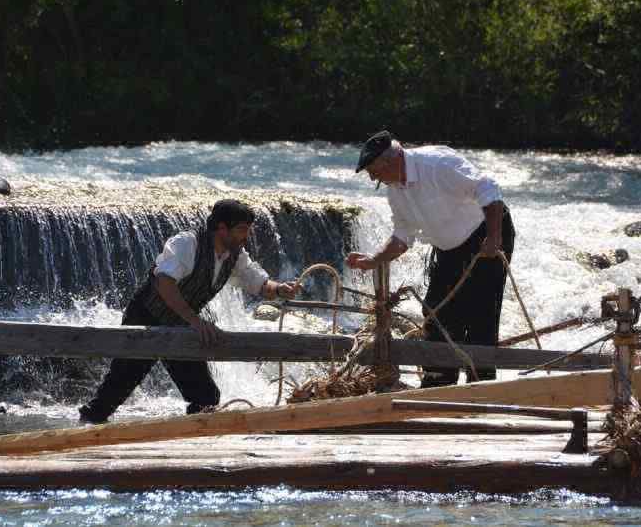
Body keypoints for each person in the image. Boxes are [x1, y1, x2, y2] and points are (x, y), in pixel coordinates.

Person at [78, 199, 299, 423]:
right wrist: (195, 322)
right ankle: (83, 431)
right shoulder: (187, 244)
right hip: (146, 317)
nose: (247, 236)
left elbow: (258, 283)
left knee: (206, 397)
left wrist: (280, 289)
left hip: (181, 324)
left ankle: (196, 441)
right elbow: (164, 282)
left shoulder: (235, 255)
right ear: (221, 228)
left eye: (248, 230)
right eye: (242, 230)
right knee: (113, 392)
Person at [346, 131, 516, 388]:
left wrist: (494, 237)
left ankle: (481, 384)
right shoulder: (395, 191)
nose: (373, 178)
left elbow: (488, 188)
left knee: (481, 313)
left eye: (374, 172)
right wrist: (374, 260)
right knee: (435, 311)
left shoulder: (436, 164)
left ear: (392, 161)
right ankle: (439, 380)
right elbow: (403, 236)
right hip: (448, 248)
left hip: (485, 233)